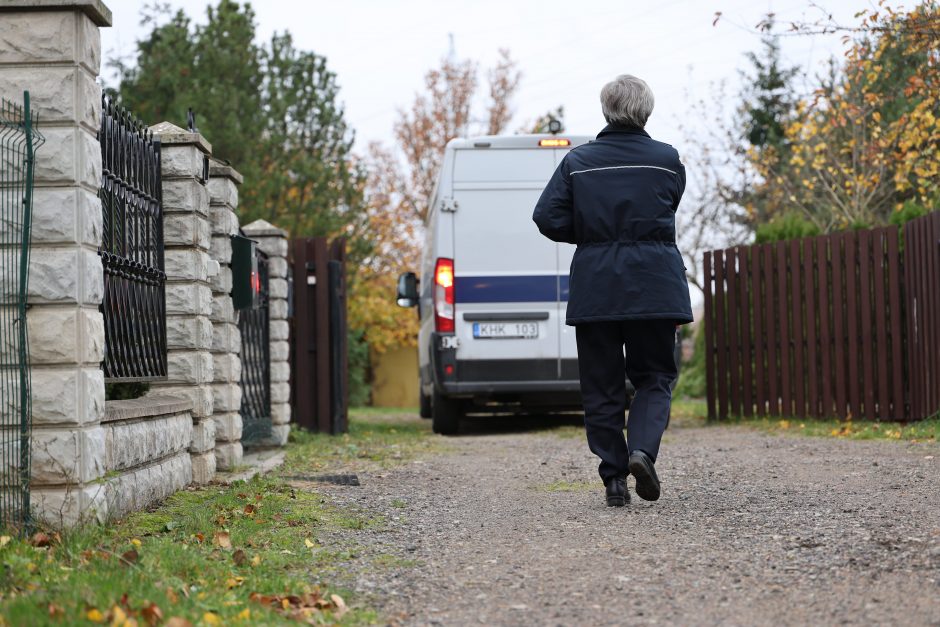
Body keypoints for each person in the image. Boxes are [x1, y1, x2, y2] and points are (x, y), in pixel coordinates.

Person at [532, 74, 693, 506]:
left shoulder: (578, 162)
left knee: (601, 385)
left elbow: (546, 218)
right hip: (655, 286)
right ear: (646, 111)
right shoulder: (667, 160)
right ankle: (642, 451)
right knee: (654, 377)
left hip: (598, 287)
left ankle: (614, 480)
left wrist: (591, 232)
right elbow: (669, 203)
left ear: (607, 111)